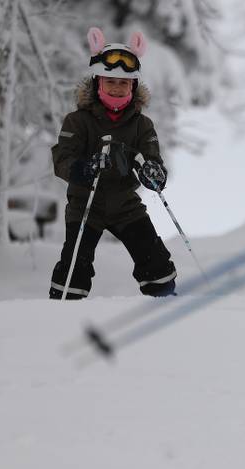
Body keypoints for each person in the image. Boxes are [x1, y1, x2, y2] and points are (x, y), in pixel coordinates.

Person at [49, 27, 176, 300]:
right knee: (74, 270)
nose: (117, 88)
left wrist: (153, 173)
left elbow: (152, 157)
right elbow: (62, 158)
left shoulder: (142, 125)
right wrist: (83, 169)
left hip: (125, 206)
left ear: (133, 87)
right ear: (98, 83)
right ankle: (59, 317)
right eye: (110, 82)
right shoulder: (78, 120)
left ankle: (165, 309)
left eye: (123, 83)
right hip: (86, 205)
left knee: (157, 266)